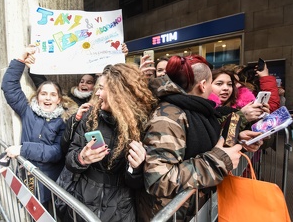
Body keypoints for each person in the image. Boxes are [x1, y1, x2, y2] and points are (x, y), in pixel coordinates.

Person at [138, 55, 262, 221]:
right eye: (212, 83)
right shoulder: (167, 117)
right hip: (175, 215)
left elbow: (204, 144)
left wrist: (238, 139)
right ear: (203, 85)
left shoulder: (198, 110)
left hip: (196, 210)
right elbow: (159, 179)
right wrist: (217, 161)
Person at [63, 63, 157, 221]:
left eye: (101, 88)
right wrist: (81, 158)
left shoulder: (142, 125)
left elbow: (137, 183)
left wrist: (136, 168)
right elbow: (69, 159)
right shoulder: (90, 117)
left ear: (118, 93)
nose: (97, 93)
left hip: (120, 210)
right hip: (83, 203)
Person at [1, 46, 78, 208]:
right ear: (37, 96)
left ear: (59, 99)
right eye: (43, 94)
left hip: (51, 182)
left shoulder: (64, 120)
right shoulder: (27, 110)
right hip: (27, 176)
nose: (47, 98)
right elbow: (10, 87)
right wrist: (20, 60)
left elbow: (56, 152)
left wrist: (23, 149)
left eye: (52, 94)